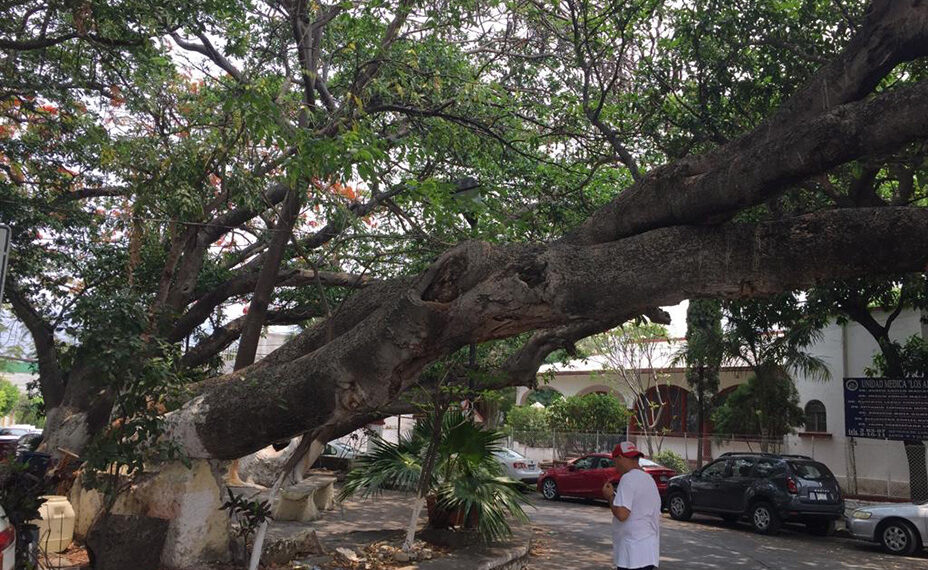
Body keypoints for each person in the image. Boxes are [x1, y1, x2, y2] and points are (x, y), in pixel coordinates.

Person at [602, 441, 661, 570]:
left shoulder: (628, 479)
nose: (615, 466)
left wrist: (610, 496)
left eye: (615, 461)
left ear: (620, 458)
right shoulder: (649, 480)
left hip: (632, 554)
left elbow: (622, 514)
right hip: (648, 552)